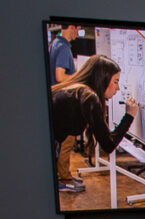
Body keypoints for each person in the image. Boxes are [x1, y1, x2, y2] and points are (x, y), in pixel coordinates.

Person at [50, 55, 139, 193]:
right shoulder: (89, 97)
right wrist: (129, 115)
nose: (118, 88)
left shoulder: (78, 90)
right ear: (102, 79)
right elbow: (108, 144)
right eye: (115, 81)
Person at [48, 24, 80, 191]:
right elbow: (60, 76)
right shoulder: (63, 48)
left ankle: (64, 174)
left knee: (60, 141)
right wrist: (78, 77)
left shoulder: (55, 44)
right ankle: (64, 179)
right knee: (67, 139)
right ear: (71, 28)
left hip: (55, 100)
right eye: (77, 28)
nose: (78, 32)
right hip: (61, 100)